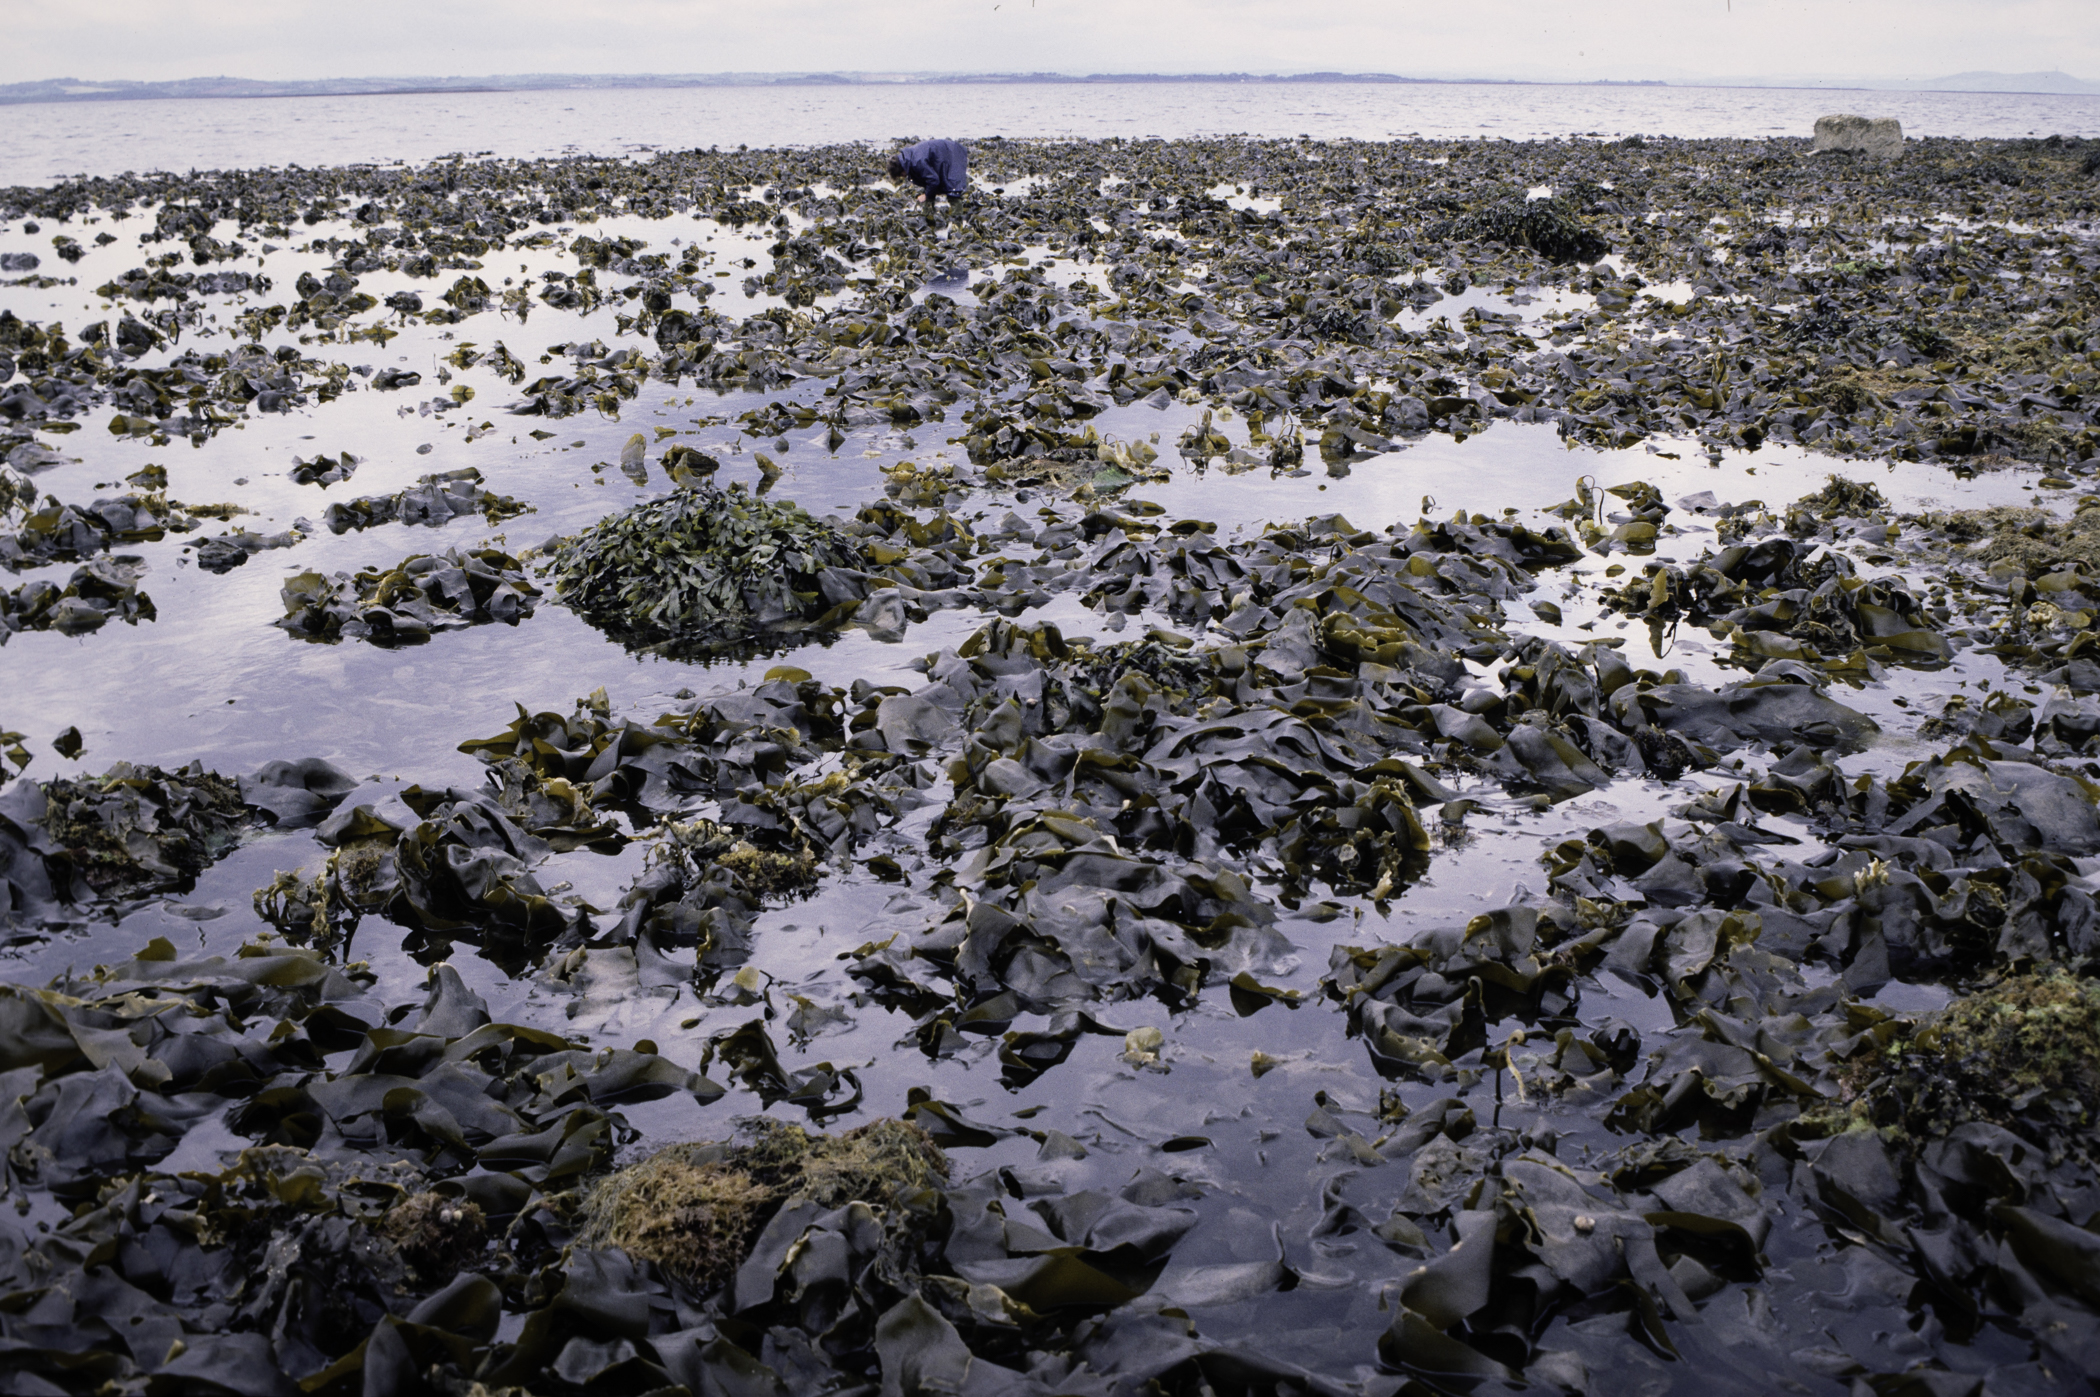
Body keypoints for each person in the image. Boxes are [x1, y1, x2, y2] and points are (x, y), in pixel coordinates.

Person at [887, 139, 968, 219]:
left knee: (953, 192)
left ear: (901, 169)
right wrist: (930, 194)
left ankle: (957, 224)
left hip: (952, 155)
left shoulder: (917, 162)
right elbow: (929, 179)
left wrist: (926, 195)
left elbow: (933, 180)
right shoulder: (908, 159)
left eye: (901, 175)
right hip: (943, 156)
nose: (903, 177)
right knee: (930, 191)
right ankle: (928, 217)